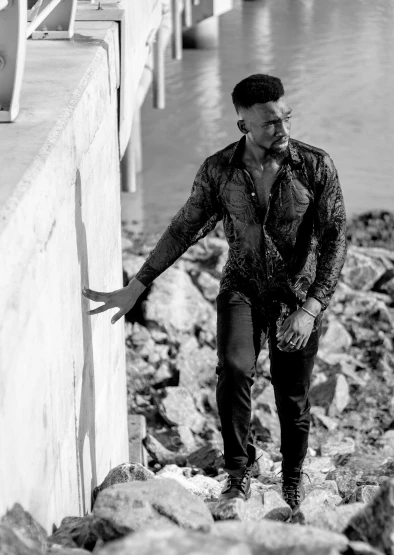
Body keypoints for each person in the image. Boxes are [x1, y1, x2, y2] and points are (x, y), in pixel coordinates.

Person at [83, 74, 347, 513]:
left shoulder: (315, 165)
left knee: (292, 396)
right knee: (235, 369)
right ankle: (238, 475)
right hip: (242, 286)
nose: (281, 130)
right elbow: (184, 228)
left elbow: (336, 237)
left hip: (297, 297)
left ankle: (293, 479)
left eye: (285, 119)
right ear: (242, 122)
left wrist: (312, 308)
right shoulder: (218, 170)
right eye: (268, 123)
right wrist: (137, 284)